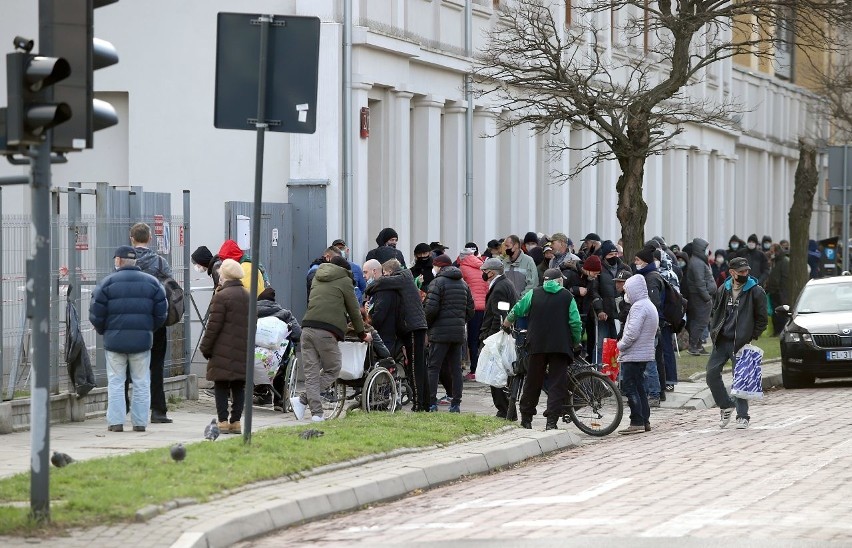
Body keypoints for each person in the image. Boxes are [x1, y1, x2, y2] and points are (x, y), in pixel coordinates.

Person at [89, 246, 167, 433]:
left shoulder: (106, 283)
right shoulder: (153, 283)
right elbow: (161, 314)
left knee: (116, 382)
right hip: (142, 342)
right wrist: (149, 329)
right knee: (141, 381)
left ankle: (116, 422)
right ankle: (140, 422)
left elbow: (96, 313)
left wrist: (104, 331)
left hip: (114, 341)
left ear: (118, 261)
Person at [503, 268, 582, 431]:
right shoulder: (567, 296)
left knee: (533, 381)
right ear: (559, 281)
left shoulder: (533, 294)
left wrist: (506, 324)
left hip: (536, 344)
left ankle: (526, 418)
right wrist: (576, 341)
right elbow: (575, 323)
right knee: (556, 383)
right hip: (560, 346)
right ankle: (551, 421)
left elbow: (517, 310)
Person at [295, 256, 371, 422]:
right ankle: (303, 400)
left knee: (312, 374)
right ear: (346, 269)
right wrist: (362, 334)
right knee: (334, 369)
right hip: (326, 331)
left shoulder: (317, 277)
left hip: (307, 328)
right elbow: (354, 310)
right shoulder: (345, 280)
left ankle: (316, 413)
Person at [707, 257, 768, 429]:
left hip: (740, 342)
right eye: (741, 272)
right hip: (722, 340)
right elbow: (716, 311)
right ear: (732, 272)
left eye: (746, 271)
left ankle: (743, 416)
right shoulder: (723, 289)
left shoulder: (755, 291)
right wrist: (714, 330)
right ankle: (726, 405)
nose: (745, 274)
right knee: (711, 374)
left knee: (739, 378)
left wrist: (750, 336)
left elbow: (762, 319)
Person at [129, 222, 174, 424]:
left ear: (132, 238)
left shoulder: (124, 261)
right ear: (149, 239)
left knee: (126, 364)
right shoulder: (160, 262)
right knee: (156, 365)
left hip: (130, 321)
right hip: (156, 321)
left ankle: (123, 408)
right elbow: (170, 288)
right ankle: (158, 410)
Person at [199, 259, 250, 434]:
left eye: (221, 274)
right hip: (242, 349)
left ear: (225, 276)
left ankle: (222, 421)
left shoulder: (221, 296)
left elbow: (213, 326)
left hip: (221, 349)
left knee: (221, 384)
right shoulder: (248, 295)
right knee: (238, 385)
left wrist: (205, 347)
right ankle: (236, 422)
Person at [423, 254, 475, 412]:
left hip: (439, 333)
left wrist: (428, 325)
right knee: (456, 369)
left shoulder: (436, 283)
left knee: (433, 367)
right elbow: (470, 310)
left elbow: (431, 309)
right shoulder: (463, 283)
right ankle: (456, 403)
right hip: (458, 333)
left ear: (439, 266)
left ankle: (431, 402)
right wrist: (460, 321)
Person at [617, 274, 660, 435]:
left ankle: (636, 420)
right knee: (640, 386)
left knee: (630, 387)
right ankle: (645, 420)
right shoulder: (648, 305)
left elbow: (632, 333)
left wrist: (621, 345)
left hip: (634, 354)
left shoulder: (639, 307)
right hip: (644, 353)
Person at [479, 257, 518, 419]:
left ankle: (504, 410)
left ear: (492, 272)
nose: (483, 274)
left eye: (485, 271)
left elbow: (499, 315)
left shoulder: (500, 287)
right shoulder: (504, 284)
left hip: (497, 337)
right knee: (501, 374)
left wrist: (492, 336)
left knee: (497, 374)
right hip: (501, 335)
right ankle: (507, 410)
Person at [255, 286, 302, 408]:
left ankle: (260, 391)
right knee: (283, 358)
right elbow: (297, 334)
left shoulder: (250, 312)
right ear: (274, 302)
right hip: (276, 362)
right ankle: (279, 400)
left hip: (250, 358)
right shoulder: (285, 314)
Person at [458, 247, 487, 380]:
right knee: (483, 339)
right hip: (485, 307)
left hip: (472, 307)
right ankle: (483, 369)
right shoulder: (482, 266)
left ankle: (474, 370)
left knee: (472, 341)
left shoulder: (463, 267)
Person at [685, 237, 716, 356]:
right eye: (705, 249)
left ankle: (698, 345)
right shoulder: (697, 262)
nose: (706, 251)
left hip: (701, 296)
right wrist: (707, 297)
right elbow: (700, 282)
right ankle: (693, 346)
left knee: (700, 321)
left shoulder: (699, 260)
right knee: (701, 321)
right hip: (700, 297)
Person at [765, 243, 790, 336]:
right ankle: (776, 331)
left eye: (772, 251)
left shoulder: (783, 262)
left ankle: (780, 331)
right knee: (775, 313)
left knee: (781, 313)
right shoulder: (774, 262)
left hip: (780, 292)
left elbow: (782, 278)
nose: (771, 253)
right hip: (774, 291)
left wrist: (779, 290)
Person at [332, 239, 367, 304]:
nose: (339, 251)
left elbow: (363, 287)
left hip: (354, 305)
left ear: (347, 251)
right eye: (336, 249)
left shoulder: (356, 268)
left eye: (341, 248)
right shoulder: (330, 268)